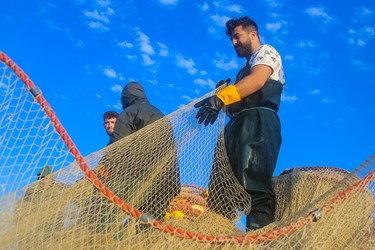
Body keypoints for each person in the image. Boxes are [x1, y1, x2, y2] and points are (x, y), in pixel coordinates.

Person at [194, 16, 285, 230]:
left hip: (259, 124)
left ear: (253, 34)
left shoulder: (267, 52)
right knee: (220, 191)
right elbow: (235, 107)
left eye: (237, 36)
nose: (234, 43)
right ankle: (219, 236)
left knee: (254, 184)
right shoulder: (241, 71)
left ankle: (258, 240)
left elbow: (258, 81)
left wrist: (223, 97)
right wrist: (219, 99)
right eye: (231, 39)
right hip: (236, 128)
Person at [103, 81, 180, 233]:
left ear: (125, 98)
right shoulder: (163, 117)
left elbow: (118, 145)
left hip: (137, 177)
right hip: (166, 181)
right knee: (149, 228)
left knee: (102, 205)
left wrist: (105, 166)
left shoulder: (130, 112)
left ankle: (97, 239)